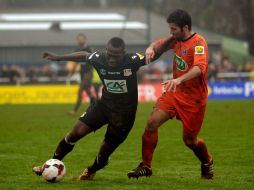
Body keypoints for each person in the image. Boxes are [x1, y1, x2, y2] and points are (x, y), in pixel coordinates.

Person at [32, 37, 153, 180]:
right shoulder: (99, 58)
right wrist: (59, 58)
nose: (112, 59)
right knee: (74, 133)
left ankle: (91, 170)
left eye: (116, 56)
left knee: (104, 154)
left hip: (123, 116)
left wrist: (168, 41)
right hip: (103, 106)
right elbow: (83, 55)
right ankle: (50, 164)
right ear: (106, 50)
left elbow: (155, 54)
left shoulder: (132, 60)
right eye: (109, 54)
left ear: (123, 53)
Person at [127, 9, 213, 179]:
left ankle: (207, 162)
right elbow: (157, 43)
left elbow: (199, 68)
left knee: (190, 141)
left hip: (194, 99)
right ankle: (146, 166)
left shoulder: (199, 43)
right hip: (174, 92)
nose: (171, 32)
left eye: (173, 29)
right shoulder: (175, 39)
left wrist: (179, 80)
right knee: (152, 122)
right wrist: (150, 48)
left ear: (185, 27)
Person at [67, 33, 96, 116]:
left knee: (80, 90)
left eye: (82, 38)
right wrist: (71, 73)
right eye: (79, 39)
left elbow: (94, 60)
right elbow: (76, 63)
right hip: (82, 73)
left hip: (89, 72)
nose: (80, 40)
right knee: (88, 91)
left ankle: (74, 111)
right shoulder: (77, 50)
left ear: (85, 39)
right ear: (77, 40)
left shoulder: (89, 49)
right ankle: (96, 106)